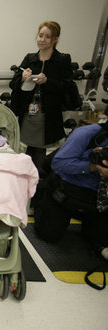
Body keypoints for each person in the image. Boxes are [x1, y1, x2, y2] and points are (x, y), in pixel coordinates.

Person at [34, 122, 108, 260]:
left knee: (96, 240)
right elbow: (59, 163)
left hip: (99, 199)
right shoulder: (87, 134)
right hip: (67, 191)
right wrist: (92, 167)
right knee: (49, 234)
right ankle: (41, 200)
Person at [9, 21, 74, 175]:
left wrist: (47, 81)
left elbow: (67, 87)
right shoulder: (30, 58)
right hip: (27, 114)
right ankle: (24, 183)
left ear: (55, 39)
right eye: (40, 35)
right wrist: (23, 78)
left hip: (47, 115)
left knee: (39, 151)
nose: (42, 39)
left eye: (47, 37)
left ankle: (37, 187)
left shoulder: (62, 60)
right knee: (23, 151)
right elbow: (14, 84)